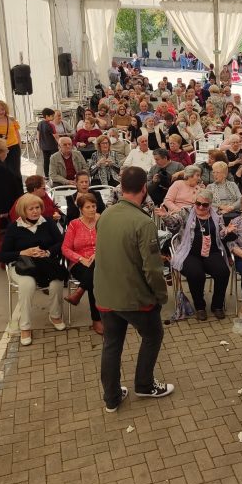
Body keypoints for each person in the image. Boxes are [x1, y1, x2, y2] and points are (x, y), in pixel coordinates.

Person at [95, 166, 173, 412]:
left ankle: (112, 397)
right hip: (134, 298)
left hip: (106, 295)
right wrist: (161, 295)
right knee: (153, 335)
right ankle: (144, 384)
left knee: (112, 343)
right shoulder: (143, 222)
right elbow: (152, 269)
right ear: (144, 189)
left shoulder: (105, 215)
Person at [0, 193, 67, 346]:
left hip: (45, 263)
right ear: (23, 211)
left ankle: (55, 316)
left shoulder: (48, 222)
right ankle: (25, 326)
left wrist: (48, 252)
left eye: (37, 208)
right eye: (31, 209)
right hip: (23, 266)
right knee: (27, 284)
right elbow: (3, 255)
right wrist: (24, 252)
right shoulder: (14, 228)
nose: (35, 211)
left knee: (57, 281)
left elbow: (62, 243)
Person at [170, 189, 236, 320]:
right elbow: (173, 223)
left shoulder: (217, 215)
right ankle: (200, 306)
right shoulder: (186, 212)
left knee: (223, 272)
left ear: (210, 205)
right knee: (196, 274)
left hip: (211, 252)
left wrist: (227, 231)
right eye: (198, 203)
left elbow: (221, 233)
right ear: (195, 202)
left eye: (205, 205)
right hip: (189, 253)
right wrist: (165, 216)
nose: (200, 207)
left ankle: (217, 306)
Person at [62, 193, 103, 335]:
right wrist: (80, 259)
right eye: (88, 207)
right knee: (94, 278)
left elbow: (111, 241)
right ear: (81, 209)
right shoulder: (74, 225)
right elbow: (65, 248)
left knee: (96, 269)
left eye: (94, 206)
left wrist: (97, 253)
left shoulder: (103, 221)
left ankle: (79, 292)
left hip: (102, 260)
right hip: (79, 263)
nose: (92, 209)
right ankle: (97, 319)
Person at [37, 108, 59, 177]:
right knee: (54, 161)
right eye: (52, 116)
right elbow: (56, 136)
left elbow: (38, 135)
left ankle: (46, 176)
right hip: (52, 147)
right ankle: (55, 175)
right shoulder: (51, 125)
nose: (53, 117)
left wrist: (40, 143)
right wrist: (60, 144)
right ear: (47, 116)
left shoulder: (40, 123)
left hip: (44, 146)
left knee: (46, 161)